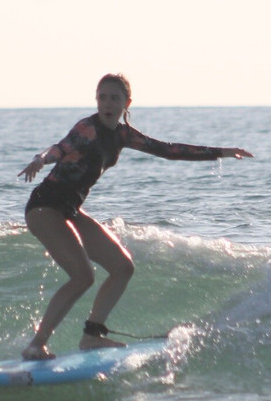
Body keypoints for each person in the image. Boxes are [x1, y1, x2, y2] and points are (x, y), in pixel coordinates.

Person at [17, 73, 253, 360]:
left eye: (114, 98)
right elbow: (60, 147)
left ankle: (92, 335)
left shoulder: (123, 135)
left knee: (122, 267)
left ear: (126, 103)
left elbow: (168, 150)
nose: (107, 103)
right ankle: (37, 344)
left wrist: (221, 152)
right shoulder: (87, 128)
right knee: (83, 276)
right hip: (45, 206)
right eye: (102, 97)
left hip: (70, 209)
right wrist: (40, 159)